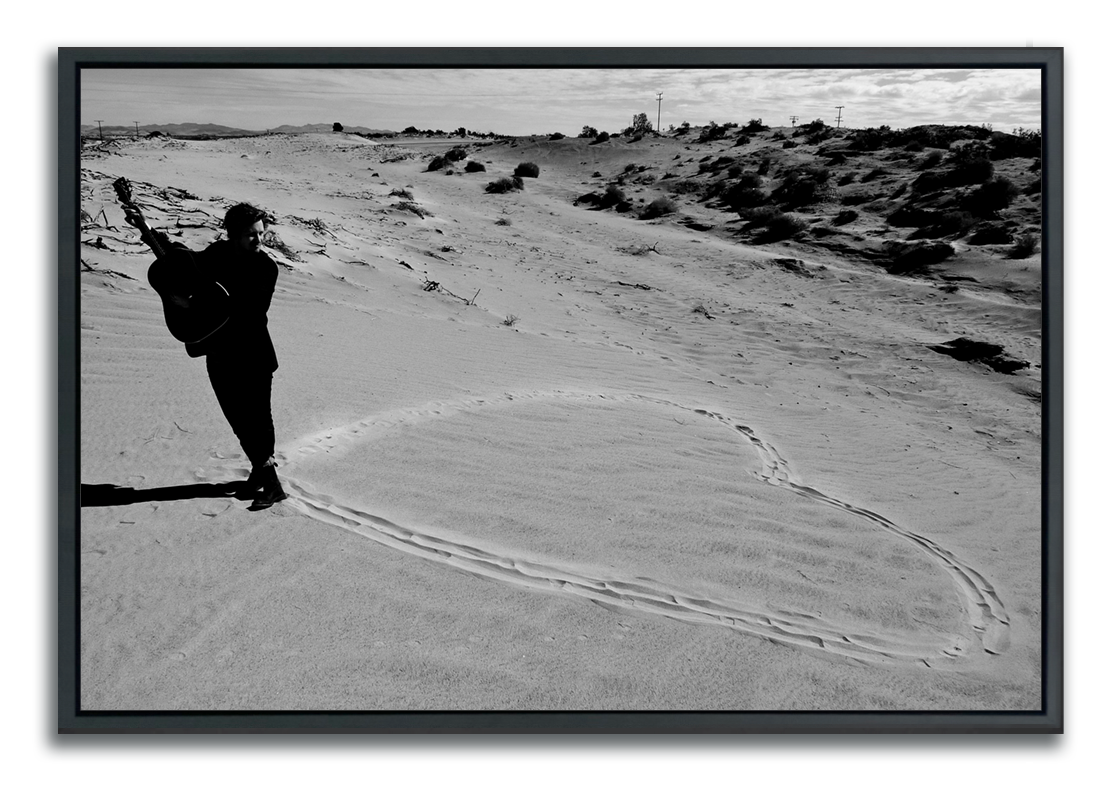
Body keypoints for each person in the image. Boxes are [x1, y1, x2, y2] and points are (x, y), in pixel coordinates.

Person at [124, 201, 287, 509]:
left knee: (257, 419)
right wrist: (147, 230)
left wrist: (194, 305)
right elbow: (181, 261)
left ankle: (273, 484)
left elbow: (250, 310)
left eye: (261, 234)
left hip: (252, 353)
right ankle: (258, 475)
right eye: (252, 234)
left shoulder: (266, 267)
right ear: (233, 234)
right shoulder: (217, 254)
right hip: (217, 350)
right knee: (238, 419)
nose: (259, 240)